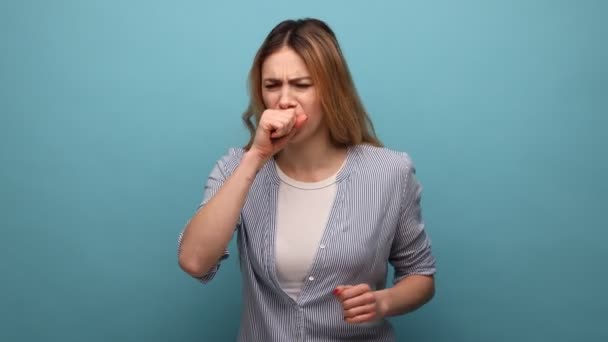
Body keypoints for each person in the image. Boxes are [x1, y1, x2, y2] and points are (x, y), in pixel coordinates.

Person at [177, 18, 436, 341]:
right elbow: (194, 261)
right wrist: (255, 159)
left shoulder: (389, 172)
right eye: (272, 86)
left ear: (331, 89)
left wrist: (383, 301)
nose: (284, 100)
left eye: (301, 84)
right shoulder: (236, 167)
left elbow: (421, 275)